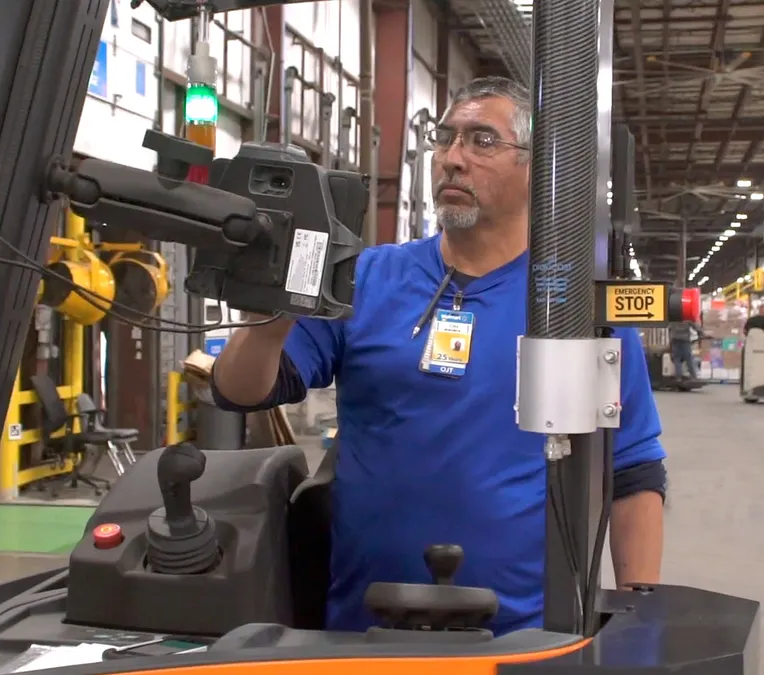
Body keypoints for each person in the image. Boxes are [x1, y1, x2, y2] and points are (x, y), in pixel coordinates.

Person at [210, 76, 666, 636]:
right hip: (362, 628)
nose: (453, 159)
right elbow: (240, 390)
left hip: (526, 636)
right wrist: (271, 307)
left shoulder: (575, 310)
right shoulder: (367, 278)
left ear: (537, 166)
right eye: (445, 139)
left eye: (482, 141)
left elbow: (633, 470)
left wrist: (639, 622)